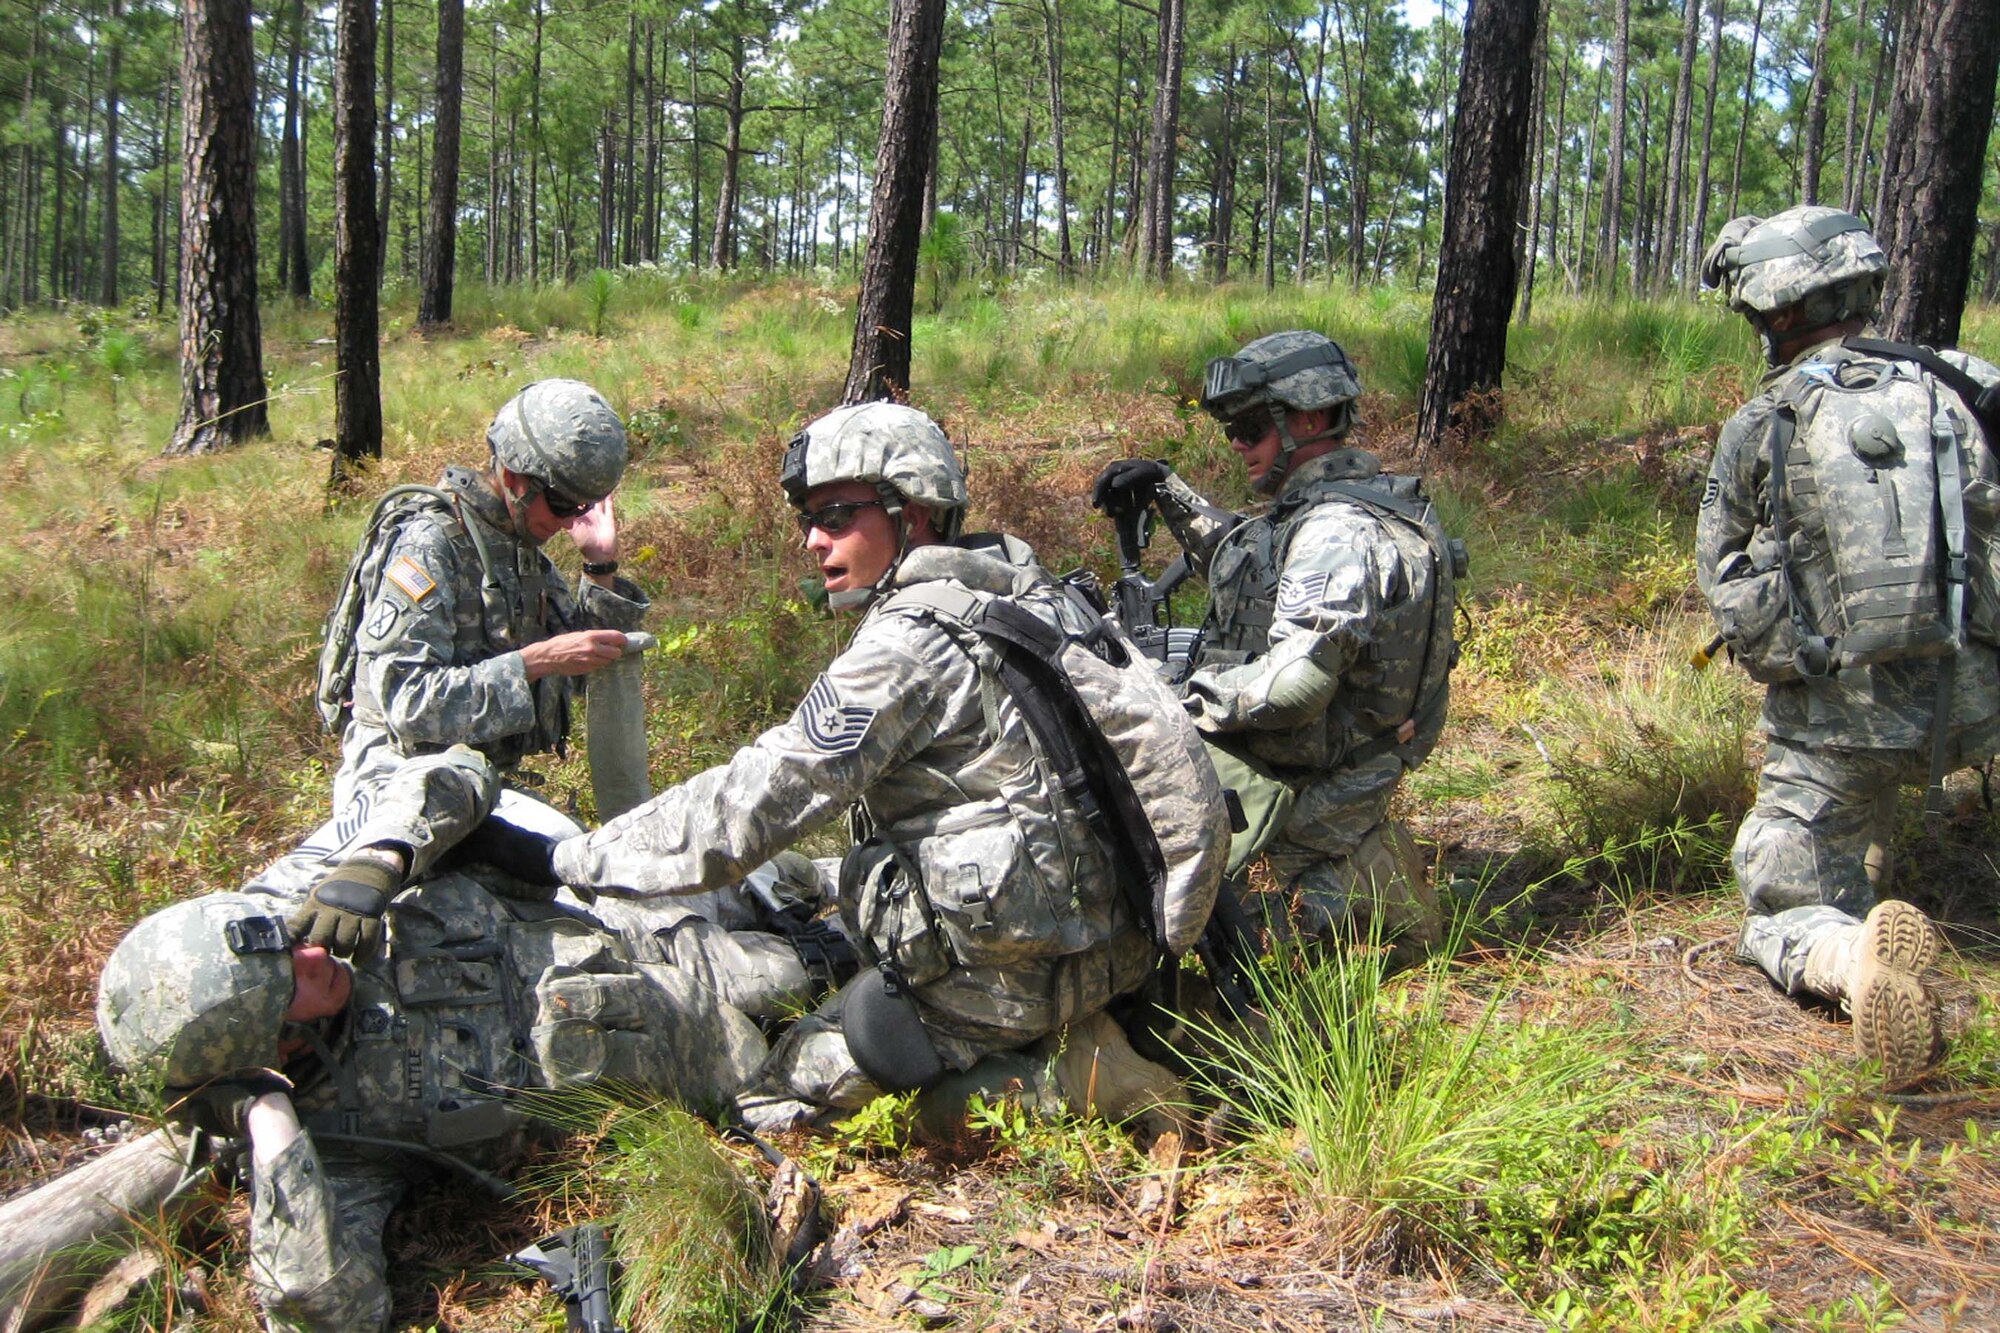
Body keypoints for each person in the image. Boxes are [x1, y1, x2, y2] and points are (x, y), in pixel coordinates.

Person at [543, 403, 1205, 1133]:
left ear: (912, 512)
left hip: (1018, 975)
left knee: (768, 1102)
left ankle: (1078, 1077)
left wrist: (573, 856)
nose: (811, 540)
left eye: (834, 515)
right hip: (1115, 941)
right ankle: (1079, 1034)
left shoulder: (906, 647)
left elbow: (751, 803)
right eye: (806, 520)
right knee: (808, 893)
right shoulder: (1020, 583)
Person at [95, 876, 765, 1332]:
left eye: (289, 940)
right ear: (275, 1046)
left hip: (655, 926)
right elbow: (324, 1307)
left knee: (817, 889)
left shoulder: (339, 909)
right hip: (711, 1064)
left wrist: (381, 858)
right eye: (289, 979)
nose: (312, 950)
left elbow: (452, 775)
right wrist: (268, 1117)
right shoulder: (345, 1143)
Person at [1696, 205, 2000, 1084]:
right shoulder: (1966, 381)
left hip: (1843, 728)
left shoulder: (1765, 420)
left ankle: (1856, 962)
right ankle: (1879, 861)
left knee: (1774, 897)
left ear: (1774, 311)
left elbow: (1724, 582)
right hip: (1980, 703)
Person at [1090, 330, 1459, 964]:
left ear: (1310, 418)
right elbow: (1252, 562)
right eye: (1232, 429)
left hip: (1315, 785)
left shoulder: (1337, 531)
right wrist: (1167, 492)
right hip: (1317, 763)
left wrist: (1176, 701)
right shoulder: (1341, 509)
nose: (1238, 444)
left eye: (1253, 426)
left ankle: (1354, 885)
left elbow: (1296, 686)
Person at [290, 379, 656, 962]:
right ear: (514, 479)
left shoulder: (515, 550)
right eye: (563, 505)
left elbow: (577, 667)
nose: (569, 522)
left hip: (485, 789)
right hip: (404, 787)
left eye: (583, 507)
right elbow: (407, 703)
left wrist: (601, 564)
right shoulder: (430, 547)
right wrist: (530, 663)